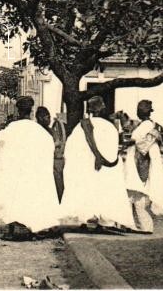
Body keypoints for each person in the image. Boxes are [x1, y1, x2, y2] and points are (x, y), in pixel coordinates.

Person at [0, 98, 60, 238]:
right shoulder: (41, 132)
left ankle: (13, 228)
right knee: (31, 196)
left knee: (12, 194)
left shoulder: (10, 130)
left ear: (18, 111)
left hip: (14, 171)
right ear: (31, 112)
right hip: (33, 172)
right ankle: (34, 227)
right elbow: (48, 150)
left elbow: (1, 148)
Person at [60, 96, 135, 230]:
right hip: (105, 170)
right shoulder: (110, 127)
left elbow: (70, 150)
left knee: (86, 190)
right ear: (103, 109)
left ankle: (84, 219)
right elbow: (113, 153)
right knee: (103, 192)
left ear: (89, 110)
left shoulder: (81, 126)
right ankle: (104, 221)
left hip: (85, 169)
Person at [124, 100, 163, 233]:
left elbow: (142, 145)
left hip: (140, 161)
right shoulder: (147, 125)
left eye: (140, 110)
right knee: (133, 194)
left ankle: (143, 226)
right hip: (138, 159)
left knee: (137, 193)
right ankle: (133, 224)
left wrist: (129, 142)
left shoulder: (147, 126)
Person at [37, 106, 67, 202]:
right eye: (47, 117)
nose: (49, 120)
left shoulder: (51, 130)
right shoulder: (37, 131)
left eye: (49, 117)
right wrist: (55, 144)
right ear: (40, 118)